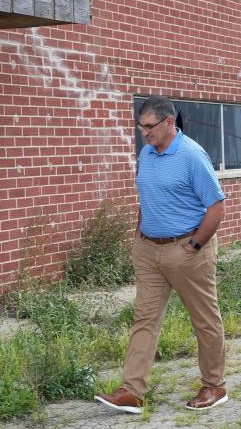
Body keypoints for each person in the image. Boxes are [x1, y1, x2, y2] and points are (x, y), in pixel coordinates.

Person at [95, 96, 227, 413]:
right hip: (149, 251)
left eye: (150, 126)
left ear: (170, 122)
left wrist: (193, 246)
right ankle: (132, 391)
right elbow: (149, 193)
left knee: (204, 320)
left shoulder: (192, 156)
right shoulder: (147, 153)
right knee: (144, 319)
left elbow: (217, 207)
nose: (144, 133)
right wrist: (140, 231)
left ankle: (215, 386)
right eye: (141, 127)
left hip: (187, 250)